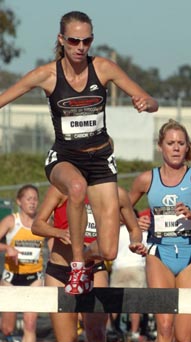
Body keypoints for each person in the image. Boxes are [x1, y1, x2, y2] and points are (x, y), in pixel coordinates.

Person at [0, 11, 158, 296]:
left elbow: (152, 100)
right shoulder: (47, 74)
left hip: (100, 160)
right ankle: (75, 264)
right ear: (62, 39)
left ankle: (84, 258)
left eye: (87, 41)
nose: (80, 47)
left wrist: (146, 103)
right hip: (64, 157)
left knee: (108, 249)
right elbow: (5, 98)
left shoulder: (103, 68)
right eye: (74, 40)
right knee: (75, 186)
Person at [130, 119, 191, 342]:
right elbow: (120, 209)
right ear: (160, 146)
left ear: (187, 147)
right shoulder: (146, 179)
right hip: (158, 253)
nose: (175, 148)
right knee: (164, 327)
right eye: (170, 143)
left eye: (180, 143)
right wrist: (134, 222)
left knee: (183, 340)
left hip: (190, 255)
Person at [32, 185, 146, 342]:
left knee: (97, 335)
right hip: (60, 271)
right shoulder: (62, 189)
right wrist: (59, 232)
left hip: (93, 269)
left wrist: (135, 241)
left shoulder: (116, 193)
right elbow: (37, 225)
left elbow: (134, 227)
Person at [0, 185, 45, 342]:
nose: (33, 203)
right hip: (11, 277)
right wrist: (7, 248)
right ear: (19, 201)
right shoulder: (12, 220)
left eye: (35, 199)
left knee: (30, 323)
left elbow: (55, 245)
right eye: (29, 199)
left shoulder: (42, 222)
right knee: (7, 328)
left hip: (34, 277)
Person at [109, 208, 148, 342]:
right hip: (136, 266)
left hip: (119, 266)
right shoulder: (141, 231)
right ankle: (134, 332)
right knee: (135, 303)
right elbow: (146, 249)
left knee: (113, 302)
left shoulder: (117, 230)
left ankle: (110, 329)